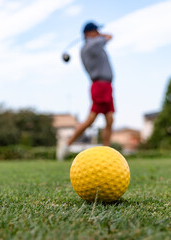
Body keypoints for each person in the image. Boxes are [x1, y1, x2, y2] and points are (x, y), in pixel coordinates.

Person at [57, 21, 115, 160]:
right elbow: (109, 36)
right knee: (91, 119)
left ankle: (107, 151)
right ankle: (67, 144)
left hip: (106, 85)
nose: (98, 33)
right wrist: (100, 35)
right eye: (96, 30)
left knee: (110, 118)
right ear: (89, 33)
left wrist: (96, 34)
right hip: (100, 86)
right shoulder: (90, 46)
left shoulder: (91, 45)